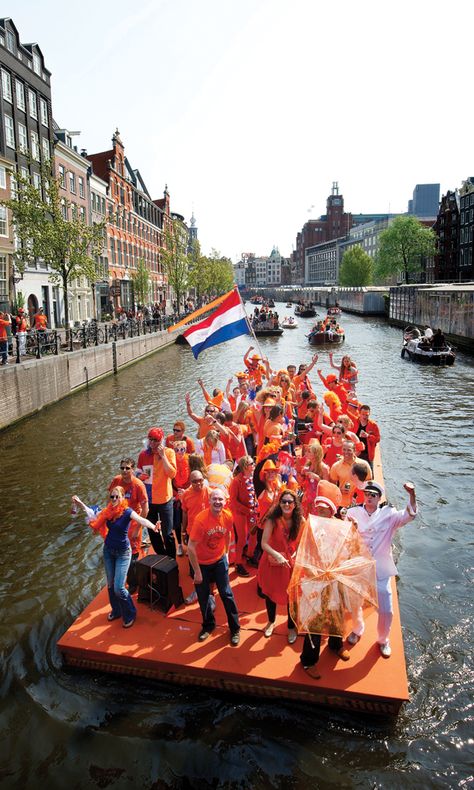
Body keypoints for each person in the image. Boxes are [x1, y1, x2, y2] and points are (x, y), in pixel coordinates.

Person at [346, 480, 417, 657]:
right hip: (358, 566)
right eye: (367, 494)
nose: (369, 497)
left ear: (379, 498)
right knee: (355, 603)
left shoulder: (389, 514)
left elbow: (410, 516)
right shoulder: (352, 512)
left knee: (386, 609)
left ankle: (383, 639)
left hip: (380, 567)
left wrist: (412, 495)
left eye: (373, 495)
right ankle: (357, 629)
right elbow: (342, 534)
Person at [72, 486, 158, 628]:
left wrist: (154, 527)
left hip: (123, 553)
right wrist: (80, 503)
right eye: (112, 497)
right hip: (108, 552)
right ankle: (117, 610)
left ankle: (130, 612)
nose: (114, 499)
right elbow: (91, 512)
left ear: (123, 498)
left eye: (117, 496)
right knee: (111, 585)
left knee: (119, 587)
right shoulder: (107, 512)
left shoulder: (127, 512)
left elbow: (141, 520)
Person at [187, 488, 241, 645]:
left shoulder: (228, 516)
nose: (218, 502)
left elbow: (228, 533)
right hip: (201, 564)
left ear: (225, 502)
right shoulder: (201, 520)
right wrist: (197, 572)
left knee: (226, 594)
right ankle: (208, 625)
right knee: (203, 596)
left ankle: (235, 628)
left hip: (218, 561)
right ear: (209, 501)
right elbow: (190, 547)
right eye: (215, 499)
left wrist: (226, 554)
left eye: (221, 499)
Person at [258, 489, 304, 643]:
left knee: (292, 596)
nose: (286, 504)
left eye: (289, 501)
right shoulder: (272, 520)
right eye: (283, 501)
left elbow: (301, 543)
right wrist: (277, 555)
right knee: (270, 594)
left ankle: (291, 627)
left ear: (295, 504)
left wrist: (294, 555)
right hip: (272, 562)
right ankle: (271, 622)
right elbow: (263, 543)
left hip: (291, 563)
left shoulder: (301, 521)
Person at [108, 457, 149, 593]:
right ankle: (123, 577)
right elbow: (111, 498)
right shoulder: (116, 480)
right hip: (118, 522)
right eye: (122, 468)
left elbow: (145, 509)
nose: (124, 471)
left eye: (127, 468)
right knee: (119, 549)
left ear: (132, 469)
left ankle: (133, 582)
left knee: (133, 555)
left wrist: (138, 528)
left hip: (132, 523)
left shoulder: (138, 485)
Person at [147, 426, 177, 558]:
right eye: (150, 440)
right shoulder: (144, 454)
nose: (152, 443)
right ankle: (161, 555)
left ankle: (171, 561)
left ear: (161, 440)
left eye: (156, 440)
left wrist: (163, 456)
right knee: (152, 531)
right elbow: (139, 473)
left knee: (168, 533)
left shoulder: (169, 453)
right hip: (149, 499)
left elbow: (172, 474)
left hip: (165, 499)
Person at [229, 456, 257, 577]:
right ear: (246, 466)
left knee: (253, 534)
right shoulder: (236, 481)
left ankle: (249, 555)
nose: (254, 465)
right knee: (242, 537)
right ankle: (238, 562)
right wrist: (247, 510)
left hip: (251, 512)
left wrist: (255, 507)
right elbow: (233, 502)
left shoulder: (252, 478)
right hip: (240, 513)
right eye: (252, 463)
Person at [353, 405, 380, 471]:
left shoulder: (373, 425)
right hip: (356, 452)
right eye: (363, 414)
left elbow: (378, 439)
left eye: (367, 415)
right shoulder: (354, 422)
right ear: (359, 413)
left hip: (368, 453)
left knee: (369, 471)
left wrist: (368, 436)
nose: (364, 417)